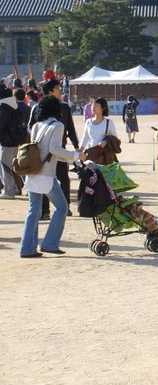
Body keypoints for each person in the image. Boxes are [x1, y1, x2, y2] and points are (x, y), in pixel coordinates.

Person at [18, 95, 82, 257]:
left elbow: (47, 151)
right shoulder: (58, 125)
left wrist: (73, 157)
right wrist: (76, 156)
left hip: (32, 172)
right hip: (46, 174)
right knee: (62, 207)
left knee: (34, 210)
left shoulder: (38, 125)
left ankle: (27, 248)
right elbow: (54, 150)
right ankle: (50, 243)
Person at [29, 77, 80, 217]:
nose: (60, 90)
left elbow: (70, 127)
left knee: (64, 178)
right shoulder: (37, 107)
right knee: (43, 180)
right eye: (57, 88)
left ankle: (66, 207)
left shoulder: (64, 107)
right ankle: (45, 211)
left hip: (60, 150)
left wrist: (76, 144)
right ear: (50, 91)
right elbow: (30, 127)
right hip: (42, 153)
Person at [0, 83, 23, 199]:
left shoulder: (4, 108)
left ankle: (9, 191)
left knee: (5, 166)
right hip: (13, 140)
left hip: (7, 141)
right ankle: (12, 188)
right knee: (8, 166)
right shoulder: (12, 106)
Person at [80, 97, 119, 162]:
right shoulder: (88, 122)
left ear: (103, 108)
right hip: (91, 154)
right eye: (93, 105)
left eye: (96, 105)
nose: (93, 107)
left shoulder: (108, 122)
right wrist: (80, 150)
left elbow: (115, 139)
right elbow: (85, 137)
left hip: (104, 156)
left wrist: (106, 142)